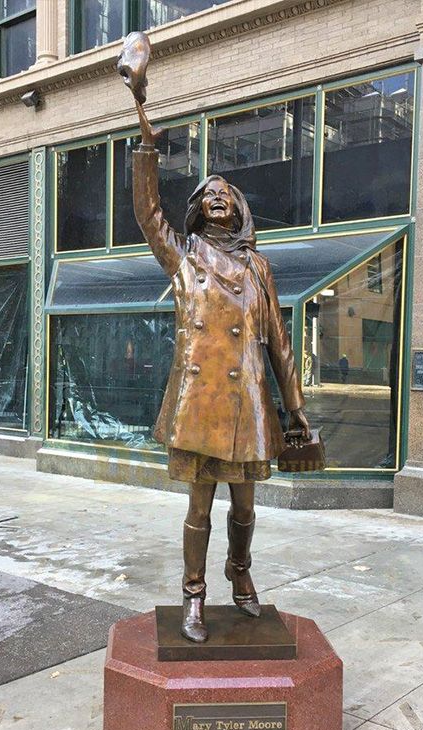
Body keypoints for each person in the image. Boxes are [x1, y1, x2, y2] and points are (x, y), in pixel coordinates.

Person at [128, 95, 311, 643]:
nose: (214, 199)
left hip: (248, 402)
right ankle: (193, 596)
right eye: (206, 195)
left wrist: (296, 409)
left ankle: (241, 574)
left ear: (239, 209)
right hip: (200, 401)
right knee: (199, 506)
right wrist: (147, 147)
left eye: (223, 195)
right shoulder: (183, 256)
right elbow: (147, 213)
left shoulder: (257, 266)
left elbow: (278, 339)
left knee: (246, 507)